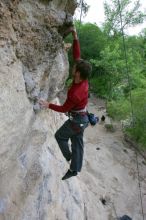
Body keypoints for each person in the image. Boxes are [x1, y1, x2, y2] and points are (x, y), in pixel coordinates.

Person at [39, 27, 92, 180]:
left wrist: (48, 104)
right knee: (78, 142)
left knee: (60, 137)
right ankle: (75, 169)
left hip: (77, 120)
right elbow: (77, 56)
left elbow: (63, 109)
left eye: (75, 68)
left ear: (78, 74)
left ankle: (70, 158)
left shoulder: (76, 93)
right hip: (82, 119)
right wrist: (75, 37)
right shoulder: (84, 77)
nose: (73, 66)